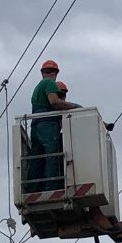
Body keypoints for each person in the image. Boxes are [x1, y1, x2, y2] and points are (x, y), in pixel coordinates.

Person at [26, 60, 81, 192]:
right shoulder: (50, 83)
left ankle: (33, 189)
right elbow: (54, 102)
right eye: (49, 71)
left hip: (36, 125)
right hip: (47, 124)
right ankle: (52, 187)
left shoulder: (38, 87)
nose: (51, 73)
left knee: (37, 158)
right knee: (53, 155)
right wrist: (75, 106)